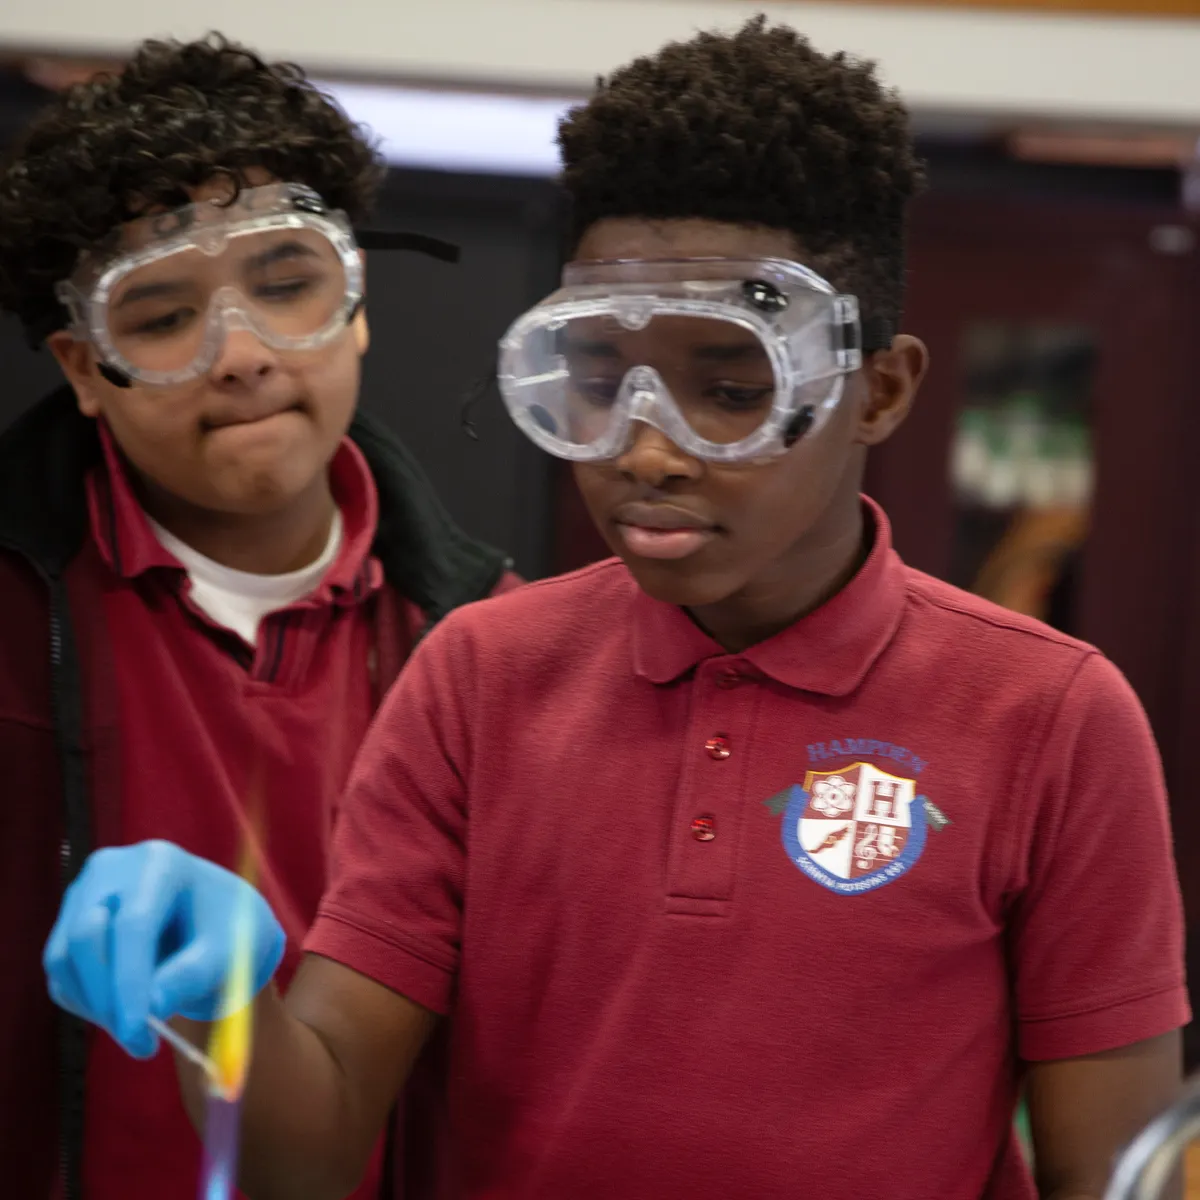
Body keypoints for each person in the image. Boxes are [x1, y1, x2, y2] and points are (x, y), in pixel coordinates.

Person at [42, 19, 1187, 1200]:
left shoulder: (1050, 717)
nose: (646, 448)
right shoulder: (479, 676)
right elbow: (306, 1160)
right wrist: (225, 1011)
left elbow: (1117, 1180)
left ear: (881, 390)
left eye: (732, 390)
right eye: (596, 379)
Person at [0, 34, 518, 1200]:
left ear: (359, 310)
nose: (240, 356)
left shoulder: (492, 644)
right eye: (162, 315)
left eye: (289, 286)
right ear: (84, 367)